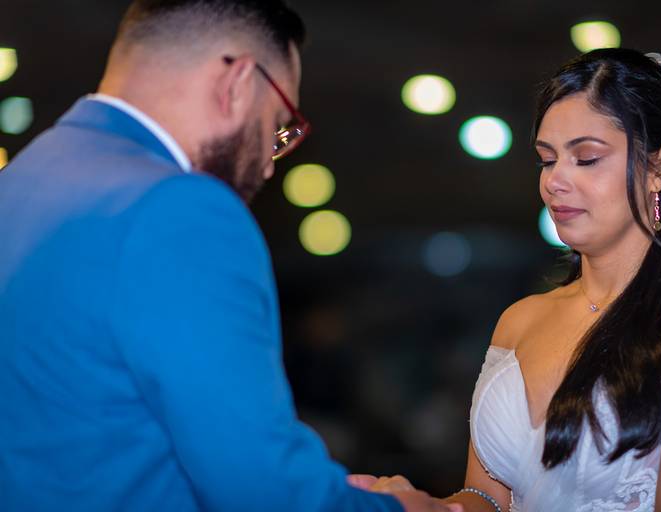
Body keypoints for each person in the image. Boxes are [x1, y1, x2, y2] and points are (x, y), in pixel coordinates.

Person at [0, 1, 460, 511]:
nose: (269, 164)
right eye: (278, 123)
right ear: (237, 82)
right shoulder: (182, 208)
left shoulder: (20, 181)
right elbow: (260, 488)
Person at [441, 48, 661, 511]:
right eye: (547, 160)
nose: (554, 181)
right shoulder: (519, 321)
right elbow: (485, 497)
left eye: (587, 158)